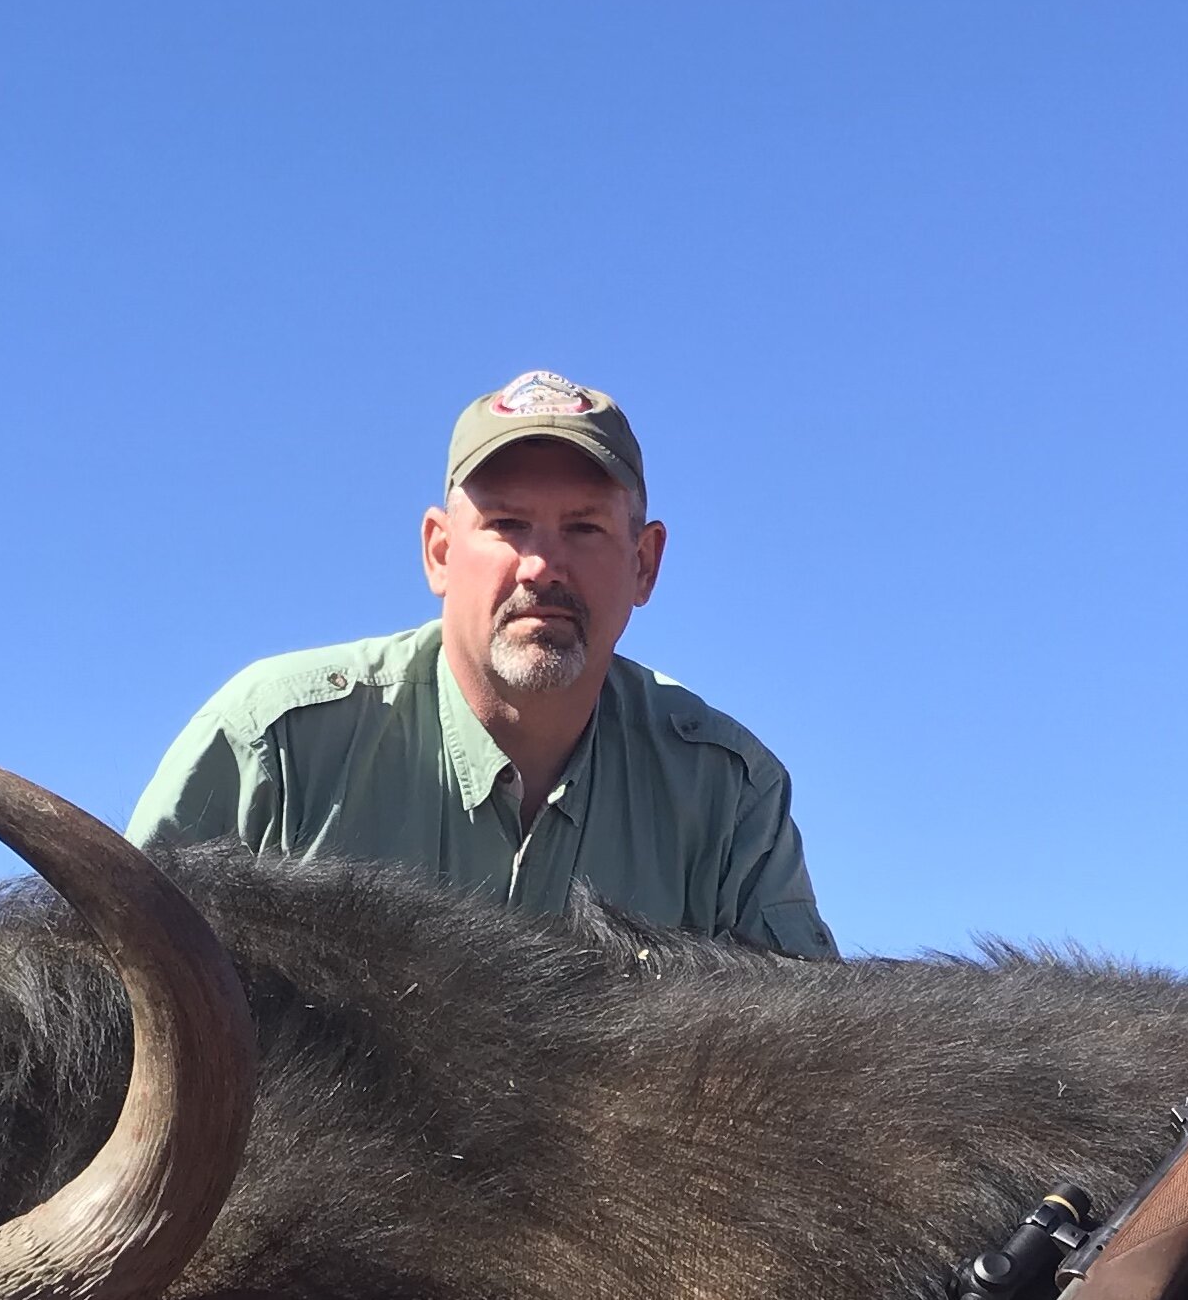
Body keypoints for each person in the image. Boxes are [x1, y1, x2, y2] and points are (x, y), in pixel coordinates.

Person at [128, 370, 834, 956]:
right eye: (506, 525)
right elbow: (116, 985)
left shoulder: (727, 792)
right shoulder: (274, 744)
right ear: (439, 552)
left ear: (644, 563)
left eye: (583, 528)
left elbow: (809, 1065)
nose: (540, 565)